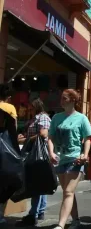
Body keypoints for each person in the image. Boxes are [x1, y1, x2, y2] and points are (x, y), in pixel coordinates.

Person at [48, 89, 91, 229]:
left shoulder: (81, 118)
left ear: (73, 100)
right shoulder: (56, 117)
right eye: (61, 98)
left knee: (68, 192)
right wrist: (51, 153)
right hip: (60, 159)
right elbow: (50, 137)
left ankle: (60, 225)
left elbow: (87, 138)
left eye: (64, 98)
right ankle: (76, 220)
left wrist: (85, 155)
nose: (61, 101)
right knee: (68, 192)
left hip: (75, 159)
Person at [17, 98, 51, 226]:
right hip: (33, 153)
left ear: (36, 106)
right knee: (39, 183)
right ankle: (40, 211)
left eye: (30, 106)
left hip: (39, 154)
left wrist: (27, 139)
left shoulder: (42, 117)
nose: (28, 109)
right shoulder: (33, 118)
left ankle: (33, 214)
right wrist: (23, 138)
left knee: (36, 184)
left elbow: (43, 134)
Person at [0, 84, 19, 225]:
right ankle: (1, 214)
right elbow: (14, 130)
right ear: (9, 97)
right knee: (7, 181)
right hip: (5, 150)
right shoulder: (10, 108)